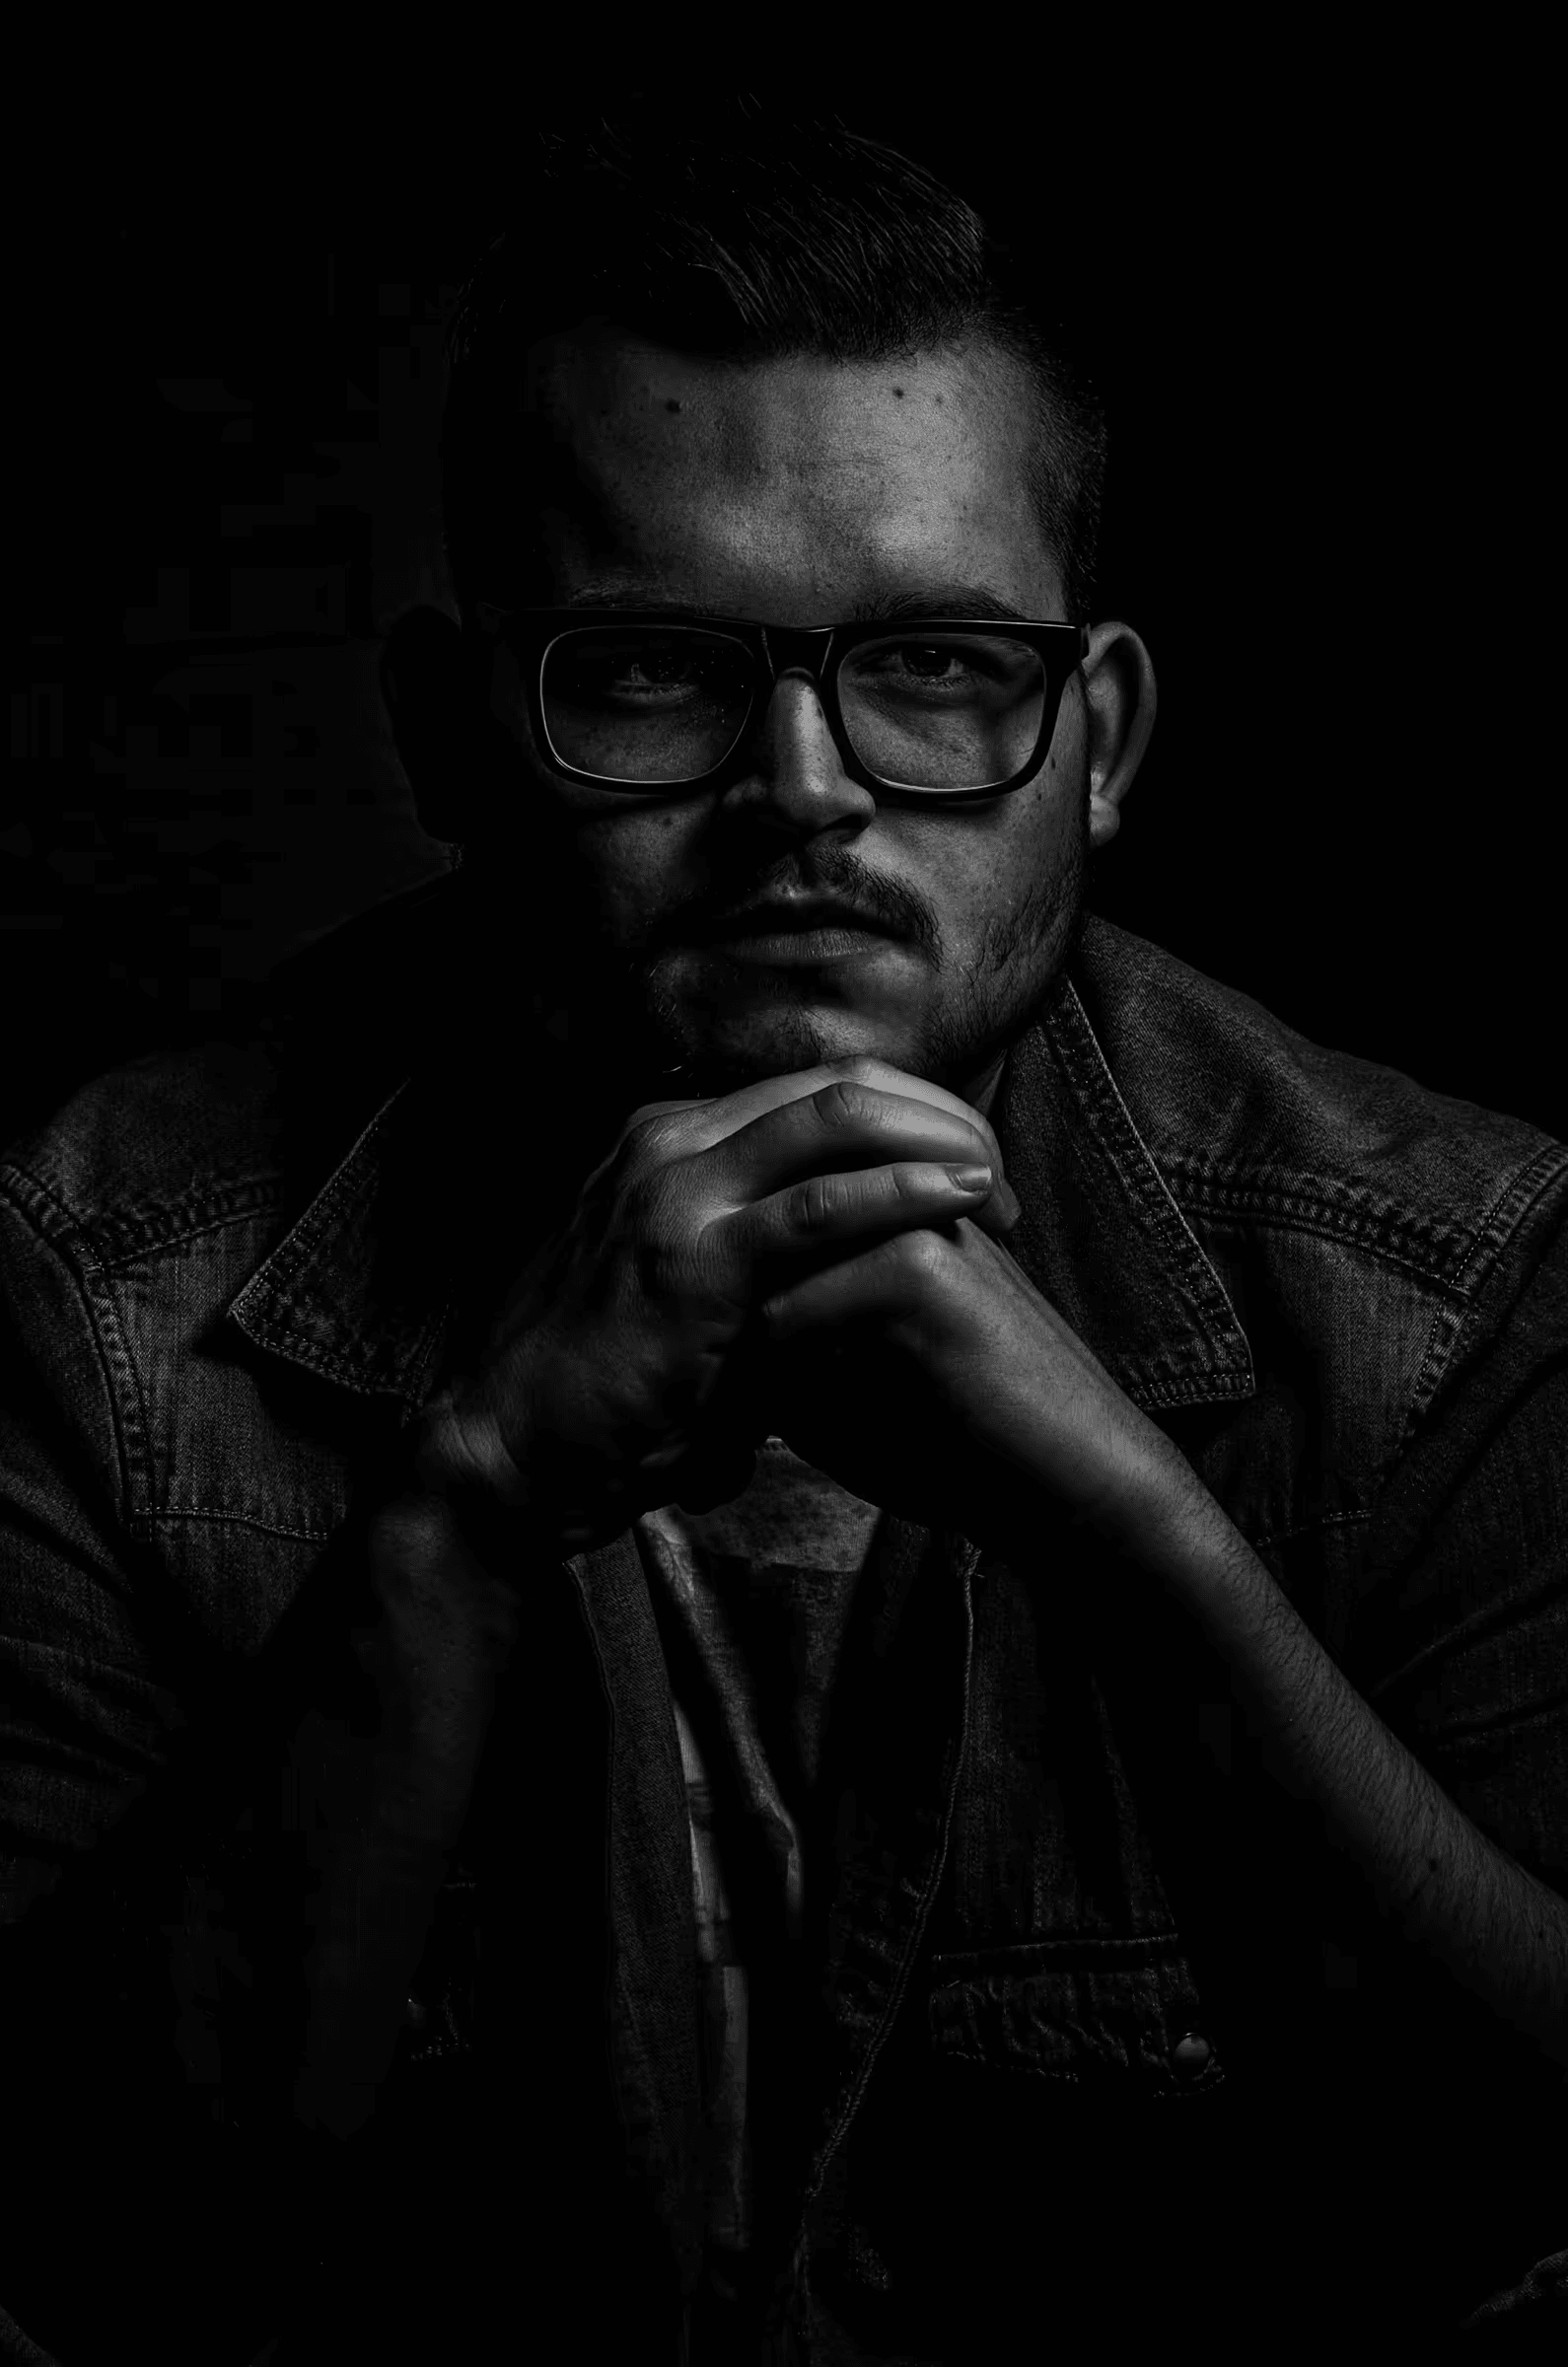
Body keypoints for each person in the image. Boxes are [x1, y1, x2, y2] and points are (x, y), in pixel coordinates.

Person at [2, 112, 1565, 2365]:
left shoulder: (1453, 1273)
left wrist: (1141, 1533)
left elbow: (1519, 2202)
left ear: (1095, 740)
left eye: (936, 665)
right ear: (456, 741)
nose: (807, 797)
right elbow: (77, 2251)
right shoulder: (91, 1289)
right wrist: (452, 1521)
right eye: (650, 672)